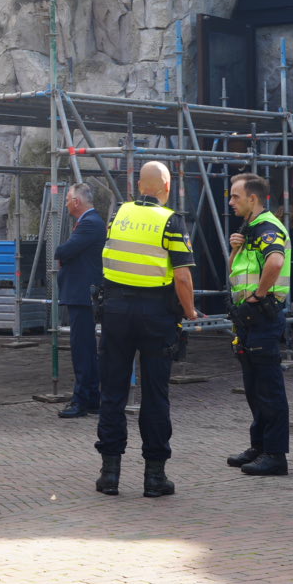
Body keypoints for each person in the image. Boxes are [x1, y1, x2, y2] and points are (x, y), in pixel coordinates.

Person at [94, 161, 198, 498]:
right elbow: (182, 276)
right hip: (156, 314)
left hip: (115, 311)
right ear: (167, 187)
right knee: (155, 394)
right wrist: (190, 311)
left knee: (112, 392)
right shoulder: (171, 221)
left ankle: (109, 474)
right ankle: (155, 477)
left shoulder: (118, 215)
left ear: (139, 186)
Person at [226, 172, 292, 477]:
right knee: (254, 386)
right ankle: (260, 446)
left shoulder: (267, 227)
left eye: (235, 196)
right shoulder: (250, 229)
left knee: (268, 387)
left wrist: (258, 296)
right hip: (249, 317)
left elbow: (275, 262)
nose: (231, 202)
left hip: (262, 316)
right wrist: (235, 249)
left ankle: (275, 455)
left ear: (253, 198)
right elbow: (235, 272)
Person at [54, 182, 103, 418]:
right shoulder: (89, 222)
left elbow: (63, 251)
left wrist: (63, 254)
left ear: (76, 201)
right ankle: (91, 397)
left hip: (83, 295)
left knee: (82, 349)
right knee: (85, 348)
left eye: (67, 200)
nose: (65, 204)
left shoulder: (90, 223)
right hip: (81, 294)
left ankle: (81, 399)